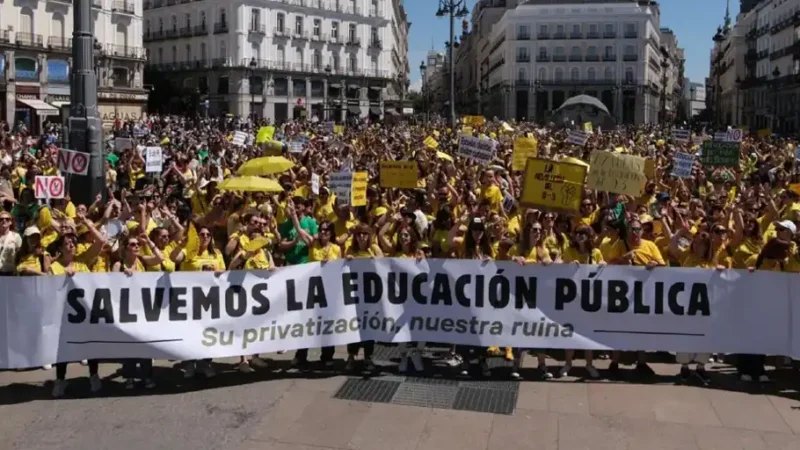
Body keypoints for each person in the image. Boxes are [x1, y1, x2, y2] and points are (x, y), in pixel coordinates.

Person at [113, 233, 164, 389]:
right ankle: (129, 377)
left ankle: (147, 376)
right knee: (129, 345)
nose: (136, 247)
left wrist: (148, 240)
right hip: (126, 310)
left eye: (138, 245)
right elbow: (111, 283)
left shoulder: (142, 260)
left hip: (142, 309)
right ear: (126, 248)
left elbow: (160, 258)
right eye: (133, 245)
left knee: (144, 343)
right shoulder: (118, 264)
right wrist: (123, 276)